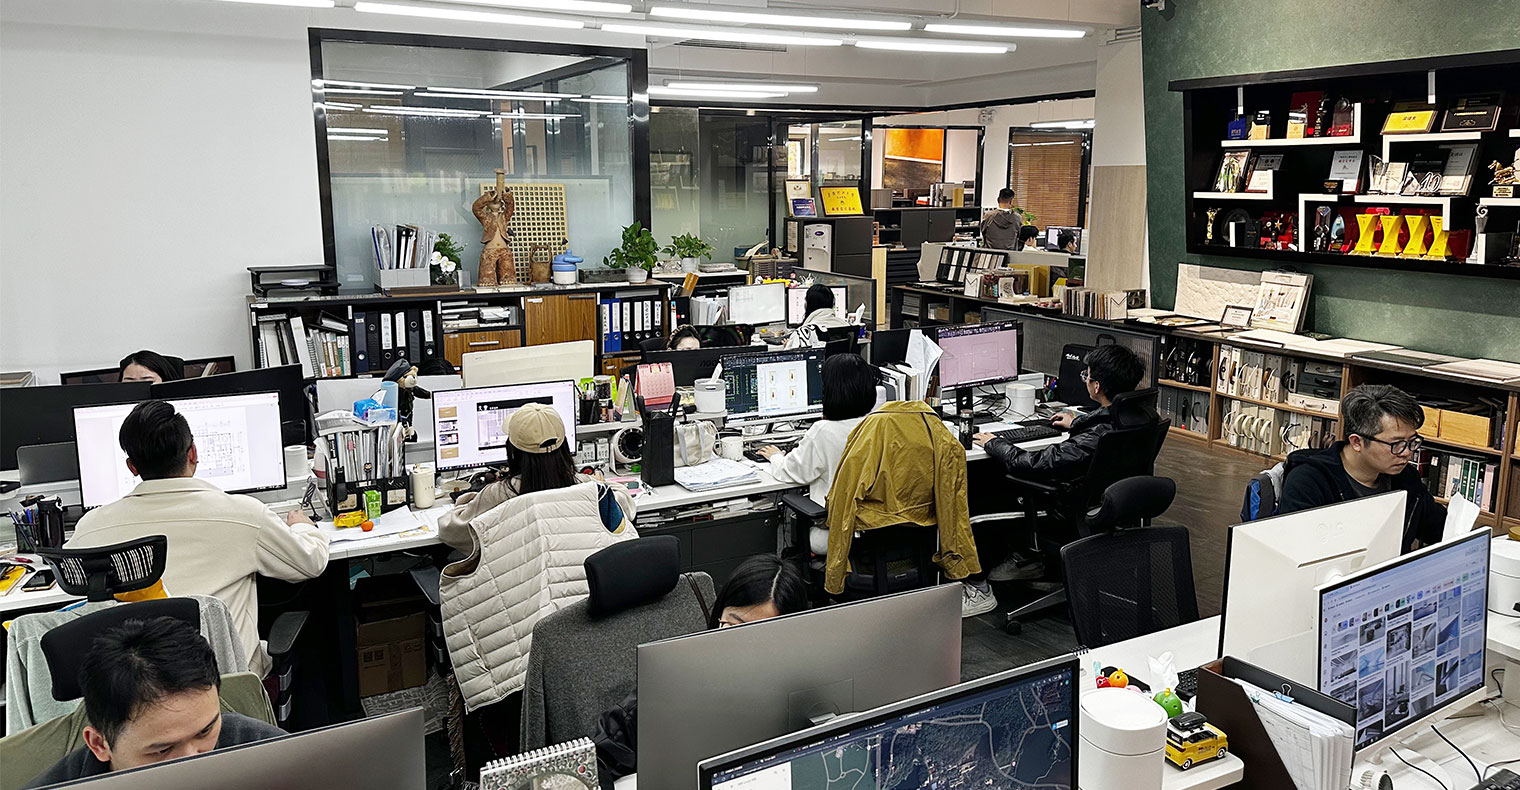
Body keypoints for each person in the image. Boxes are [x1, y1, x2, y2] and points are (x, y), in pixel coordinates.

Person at [66, 401, 329, 678]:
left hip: (135, 686)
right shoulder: (244, 514)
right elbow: (310, 563)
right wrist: (304, 528)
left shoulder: (90, 528)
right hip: (225, 682)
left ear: (132, 467)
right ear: (193, 453)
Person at [593, 554, 808, 787]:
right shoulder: (672, 686)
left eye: (760, 639)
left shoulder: (802, 689)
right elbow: (596, 763)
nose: (742, 648)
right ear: (719, 616)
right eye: (733, 626)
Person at [966, 345, 1149, 607]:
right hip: (1102, 501)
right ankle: (1026, 560)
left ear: (1096, 386)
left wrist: (995, 443)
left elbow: (1034, 463)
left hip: (1062, 506)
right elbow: (1097, 432)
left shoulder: (1096, 436)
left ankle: (980, 590)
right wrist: (1077, 422)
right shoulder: (1138, 416)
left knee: (977, 499)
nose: (1085, 379)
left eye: (1086, 375)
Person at [25, 617, 286, 787]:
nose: (193, 762)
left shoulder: (265, 749)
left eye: (205, 731)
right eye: (162, 750)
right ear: (99, 744)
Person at [437, 403, 634, 553]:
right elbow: (626, 504)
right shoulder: (586, 487)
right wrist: (599, 484)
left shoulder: (499, 493)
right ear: (563, 446)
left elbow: (451, 531)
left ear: (513, 450)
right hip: (583, 588)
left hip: (521, 592)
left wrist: (468, 501)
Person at [1280, 384, 1444, 552]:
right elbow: (1298, 551)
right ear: (1357, 442)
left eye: (1412, 441)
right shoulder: (1308, 482)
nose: (1407, 453)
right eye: (1396, 444)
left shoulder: (1405, 477)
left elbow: (1440, 529)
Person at [757, 353, 877, 554]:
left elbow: (791, 472)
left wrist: (775, 456)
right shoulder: (878, 425)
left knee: (791, 523)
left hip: (835, 533)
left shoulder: (823, 431)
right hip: (877, 527)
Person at [784, 284, 850, 350]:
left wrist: (789, 346)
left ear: (808, 305)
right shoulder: (847, 326)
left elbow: (791, 355)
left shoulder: (802, 333)